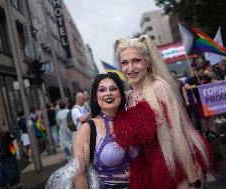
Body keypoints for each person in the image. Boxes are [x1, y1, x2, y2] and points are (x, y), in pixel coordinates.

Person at [114, 35, 212, 189]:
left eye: (136, 60)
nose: (130, 68)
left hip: (176, 167)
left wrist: (193, 181)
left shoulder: (158, 87)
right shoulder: (128, 97)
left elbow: (177, 136)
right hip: (148, 170)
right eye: (124, 63)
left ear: (148, 61)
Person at [45, 73, 132, 189]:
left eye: (113, 89)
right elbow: (80, 175)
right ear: (96, 97)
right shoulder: (87, 129)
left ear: (121, 93)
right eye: (102, 90)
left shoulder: (133, 120)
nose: (108, 93)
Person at [0, 118, 22, 188]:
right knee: (1, 180)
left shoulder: (5, 133)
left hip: (9, 159)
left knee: (14, 180)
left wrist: (18, 153)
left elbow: (14, 142)